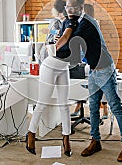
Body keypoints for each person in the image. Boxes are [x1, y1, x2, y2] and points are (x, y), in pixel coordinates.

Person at [63, 0, 122, 162]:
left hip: (105, 69)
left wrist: (61, 39)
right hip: (94, 70)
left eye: (72, 8)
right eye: (67, 7)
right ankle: (95, 140)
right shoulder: (79, 22)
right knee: (93, 106)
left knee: (114, 106)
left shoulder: (86, 23)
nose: (69, 11)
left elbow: (70, 41)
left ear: (81, 8)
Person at [26, 10, 79, 157]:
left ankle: (66, 139)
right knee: (42, 102)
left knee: (64, 105)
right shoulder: (67, 23)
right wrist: (55, 45)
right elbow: (64, 37)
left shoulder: (78, 24)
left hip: (63, 67)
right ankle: (31, 133)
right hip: (50, 66)